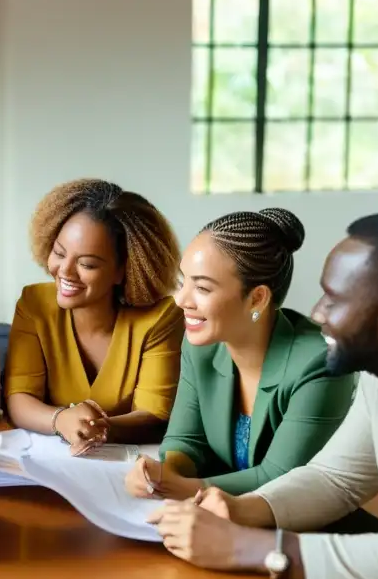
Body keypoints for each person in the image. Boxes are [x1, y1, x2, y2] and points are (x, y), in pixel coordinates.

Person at [149, 210, 378, 579]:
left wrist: (250, 548)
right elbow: (335, 477)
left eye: (336, 299)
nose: (317, 313)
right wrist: (241, 509)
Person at [125, 209, 355, 500]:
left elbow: (280, 478)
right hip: (225, 519)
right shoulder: (202, 347)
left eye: (202, 287)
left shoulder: (320, 364)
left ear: (257, 298)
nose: (181, 300)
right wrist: (164, 473)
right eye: (185, 282)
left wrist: (186, 488)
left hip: (305, 528)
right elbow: (186, 438)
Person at [4, 179, 184, 453]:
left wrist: (94, 429)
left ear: (123, 269)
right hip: (50, 462)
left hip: (128, 467)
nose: (65, 271)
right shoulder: (34, 304)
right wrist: (60, 420)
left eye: (86, 264)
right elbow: (19, 399)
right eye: (59, 253)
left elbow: (155, 416)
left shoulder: (160, 318)